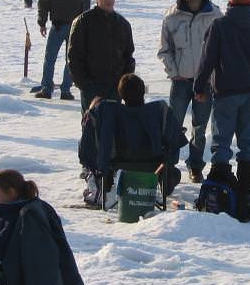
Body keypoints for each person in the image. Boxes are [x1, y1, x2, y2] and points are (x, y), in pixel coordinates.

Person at [193, 0, 250, 216]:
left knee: (222, 144)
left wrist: (199, 87)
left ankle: (220, 193)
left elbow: (207, 60)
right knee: (248, 144)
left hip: (226, 94)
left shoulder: (219, 26)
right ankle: (242, 195)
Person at [79, 74, 187, 204]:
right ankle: (166, 179)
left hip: (118, 162)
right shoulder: (157, 111)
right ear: (143, 92)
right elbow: (174, 140)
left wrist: (103, 168)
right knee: (175, 173)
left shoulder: (111, 113)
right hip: (153, 163)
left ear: (121, 94)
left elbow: (90, 146)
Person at [157, 0, 222, 183]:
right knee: (173, 126)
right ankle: (168, 167)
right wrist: (173, 73)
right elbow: (164, 49)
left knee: (200, 127)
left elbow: (222, 50)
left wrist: (212, 76)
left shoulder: (215, 16)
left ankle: (195, 166)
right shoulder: (172, 16)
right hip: (181, 82)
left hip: (205, 84)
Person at [68, 0, 135, 113]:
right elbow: (74, 57)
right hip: (91, 88)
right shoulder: (83, 22)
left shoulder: (123, 24)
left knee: (113, 130)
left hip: (115, 88)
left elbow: (128, 56)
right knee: (92, 129)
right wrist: (85, 85)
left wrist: (124, 84)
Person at [35, 0, 93, 100]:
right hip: (76, 26)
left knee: (50, 58)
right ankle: (66, 90)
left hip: (58, 25)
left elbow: (43, 2)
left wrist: (42, 22)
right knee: (71, 59)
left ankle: (46, 88)